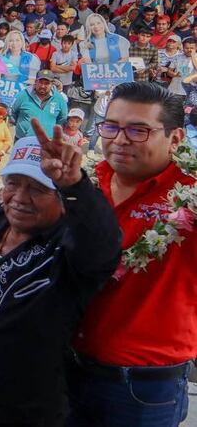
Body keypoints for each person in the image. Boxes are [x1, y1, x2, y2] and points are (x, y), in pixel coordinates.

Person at [0, 123, 122, 426]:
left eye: (37, 188)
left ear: (63, 202)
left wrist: (74, 184)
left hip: (21, 413)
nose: (20, 197)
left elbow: (101, 245)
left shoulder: (66, 250)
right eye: (13, 183)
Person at [69, 82, 197, 426]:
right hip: (66, 369)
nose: (120, 139)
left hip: (143, 388)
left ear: (175, 139)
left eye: (139, 130)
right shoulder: (84, 183)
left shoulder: (191, 197)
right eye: (111, 126)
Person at [10, 71, 68, 140]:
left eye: (46, 83)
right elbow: (13, 112)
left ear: (52, 84)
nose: (43, 86)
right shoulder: (23, 94)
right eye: (40, 82)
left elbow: (62, 118)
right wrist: (25, 128)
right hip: (23, 139)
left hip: (47, 142)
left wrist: (49, 129)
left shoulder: (59, 98)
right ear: (35, 81)